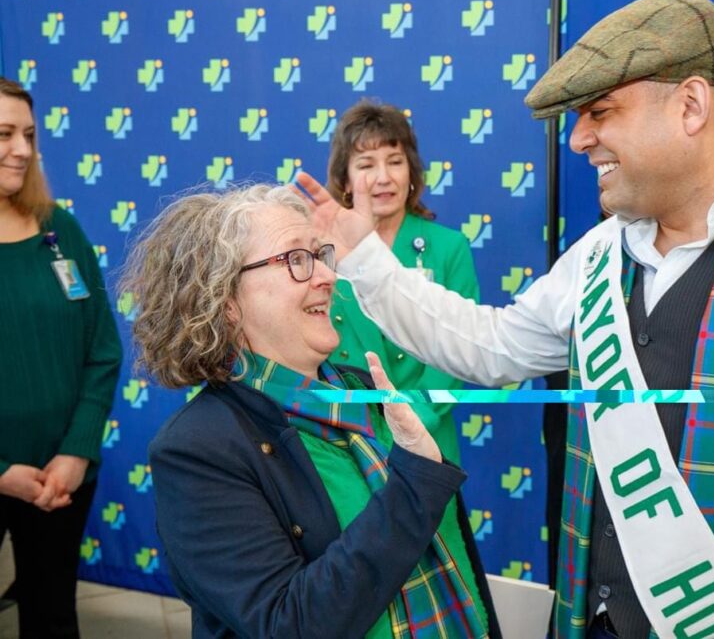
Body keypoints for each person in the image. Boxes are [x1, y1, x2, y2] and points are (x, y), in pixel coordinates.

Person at [297, 0, 714, 639]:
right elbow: (491, 347)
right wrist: (365, 258)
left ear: (690, 106)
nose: (580, 139)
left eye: (601, 112)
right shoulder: (602, 251)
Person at [120, 185, 499, 638]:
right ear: (227, 302)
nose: (328, 276)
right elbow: (288, 624)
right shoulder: (196, 450)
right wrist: (415, 485)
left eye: (320, 255)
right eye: (296, 260)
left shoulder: (362, 391)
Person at [0, 77, 123, 637]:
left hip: (62, 479)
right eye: (4, 134)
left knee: (51, 617)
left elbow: (102, 350)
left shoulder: (59, 229)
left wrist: (76, 452)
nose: (22, 149)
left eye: (28, 134)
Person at [325, 100, 480, 462]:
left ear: (411, 171)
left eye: (395, 161)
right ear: (345, 180)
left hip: (427, 437)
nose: (383, 177)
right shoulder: (323, 250)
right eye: (366, 165)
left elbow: (458, 348)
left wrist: (411, 420)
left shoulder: (449, 247)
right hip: (344, 440)